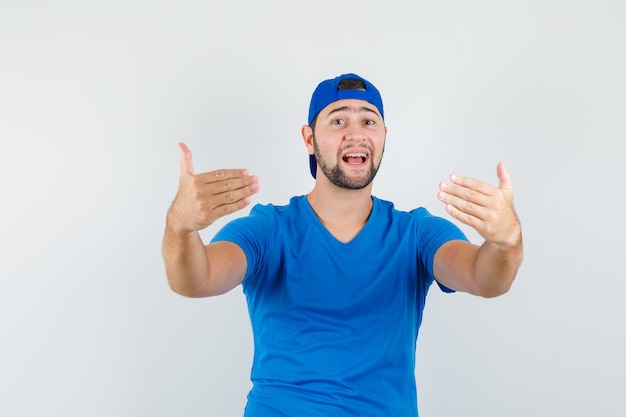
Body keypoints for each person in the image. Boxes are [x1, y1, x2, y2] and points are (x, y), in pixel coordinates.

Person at [162, 73, 523, 416]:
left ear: (384, 136)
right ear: (308, 138)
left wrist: (507, 242)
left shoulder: (417, 233)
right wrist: (180, 227)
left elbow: (485, 279)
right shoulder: (269, 229)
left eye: (369, 121)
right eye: (338, 121)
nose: (356, 133)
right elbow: (194, 280)